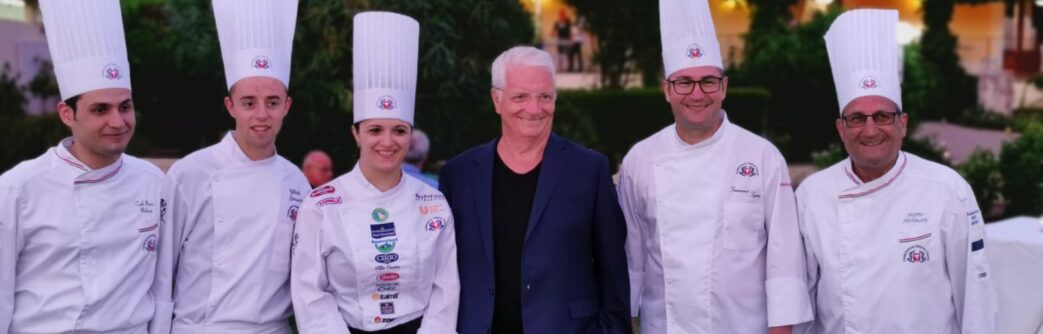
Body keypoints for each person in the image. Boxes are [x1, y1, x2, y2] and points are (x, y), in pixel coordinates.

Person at [795, 9, 998, 333]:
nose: (870, 129)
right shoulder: (812, 194)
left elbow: (975, 296)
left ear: (902, 124)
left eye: (883, 116)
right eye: (857, 118)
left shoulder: (946, 189)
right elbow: (800, 296)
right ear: (840, 128)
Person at [616, 0, 812, 333]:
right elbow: (631, 258)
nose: (697, 94)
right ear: (667, 90)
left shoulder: (762, 157)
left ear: (723, 87)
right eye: (684, 82)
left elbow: (784, 262)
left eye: (708, 81)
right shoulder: (640, 159)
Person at [0, 0, 170, 332]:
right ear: (67, 114)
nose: (117, 121)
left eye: (125, 106)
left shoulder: (153, 183)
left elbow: (162, 286)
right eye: (100, 109)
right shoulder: (18, 188)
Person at [439, 46, 630, 334]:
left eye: (544, 97)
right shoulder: (459, 174)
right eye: (520, 97)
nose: (534, 108)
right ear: (497, 99)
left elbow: (613, 269)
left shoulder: (589, 170)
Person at [291, 11, 459, 334]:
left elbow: (445, 289)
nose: (387, 142)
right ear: (356, 134)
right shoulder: (321, 205)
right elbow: (309, 291)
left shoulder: (434, 203)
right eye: (375, 130)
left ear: (410, 135)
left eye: (399, 130)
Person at [156, 0, 310, 332]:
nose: (261, 115)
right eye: (249, 103)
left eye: (272, 102)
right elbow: (160, 273)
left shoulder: (296, 182)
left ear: (287, 106)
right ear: (230, 106)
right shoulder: (190, 174)